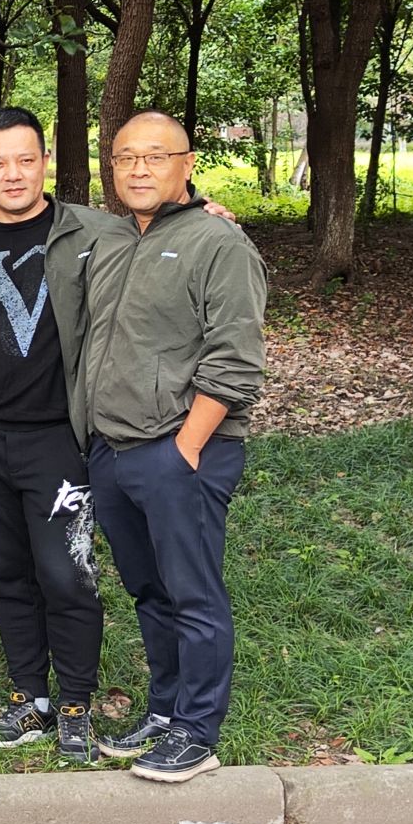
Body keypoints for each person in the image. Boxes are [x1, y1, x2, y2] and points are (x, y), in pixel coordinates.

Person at [0, 108, 113, 762]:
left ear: (45, 162)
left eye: (25, 159)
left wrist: (202, 212)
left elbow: (160, 245)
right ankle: (30, 695)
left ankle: (76, 702)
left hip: (58, 440)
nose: (13, 174)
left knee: (67, 573)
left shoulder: (94, 234)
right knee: (7, 573)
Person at [83, 112, 266, 783]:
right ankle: (165, 710)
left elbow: (236, 357)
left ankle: (197, 730)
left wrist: (185, 448)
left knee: (193, 593)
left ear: (186, 164)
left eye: (155, 156)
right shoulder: (110, 238)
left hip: (182, 450)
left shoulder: (218, 243)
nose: (139, 168)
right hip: (113, 450)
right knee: (150, 590)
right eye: (125, 156)